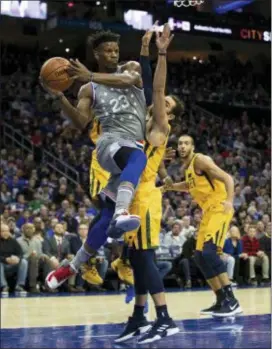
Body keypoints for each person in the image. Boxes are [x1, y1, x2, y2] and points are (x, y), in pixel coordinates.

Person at [165, 135, 242, 317]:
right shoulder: (189, 168)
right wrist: (170, 187)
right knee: (199, 257)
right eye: (180, 144)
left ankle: (232, 301)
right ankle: (221, 299)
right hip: (208, 212)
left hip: (219, 208)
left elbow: (227, 178)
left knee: (209, 252)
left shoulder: (200, 159)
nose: (182, 146)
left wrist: (230, 201)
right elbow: (189, 186)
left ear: (192, 146)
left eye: (186, 143)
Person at [0, 224, 28, 295]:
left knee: (24, 262)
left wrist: (17, 258)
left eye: (7, 231)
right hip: (2, 264)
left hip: (12, 264)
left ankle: (19, 285)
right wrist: (5, 259)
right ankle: (4, 286)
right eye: (3, 231)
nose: (5, 233)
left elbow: (21, 253)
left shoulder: (13, 241)